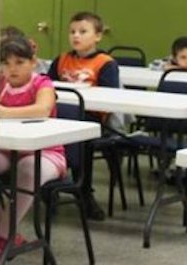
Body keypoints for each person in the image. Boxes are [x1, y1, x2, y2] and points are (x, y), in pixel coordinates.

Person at [0, 35, 66, 263]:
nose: (11, 69)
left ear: (33, 62)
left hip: (46, 152)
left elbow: (43, 109)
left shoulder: (42, 83)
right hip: (8, 149)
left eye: (19, 62)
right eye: (6, 63)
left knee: (28, 169)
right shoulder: (0, 83)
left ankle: (1, 237)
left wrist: (3, 112)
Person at [45, 11, 120, 220]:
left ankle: (84, 191)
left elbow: (109, 97)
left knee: (81, 139)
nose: (76, 36)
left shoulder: (106, 63)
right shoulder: (61, 60)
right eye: (72, 32)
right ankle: (47, 187)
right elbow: (46, 87)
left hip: (91, 119)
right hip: (60, 117)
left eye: (83, 31)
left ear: (97, 36)